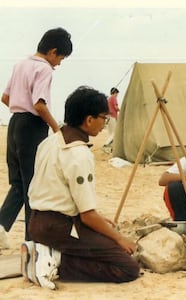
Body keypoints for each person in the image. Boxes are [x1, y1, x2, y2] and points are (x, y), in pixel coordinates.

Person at [22, 86, 140, 290]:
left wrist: (102, 222)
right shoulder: (78, 154)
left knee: (105, 236)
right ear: (89, 120)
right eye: (104, 117)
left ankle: (46, 252)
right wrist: (121, 239)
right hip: (58, 226)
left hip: (36, 221)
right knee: (127, 266)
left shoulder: (50, 142)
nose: (105, 123)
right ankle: (55, 260)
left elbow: (63, 195)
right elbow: (87, 216)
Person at [0, 27, 73, 248]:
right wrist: (56, 129)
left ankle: (1, 226)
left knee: (19, 184)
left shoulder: (21, 64)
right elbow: (39, 104)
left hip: (15, 124)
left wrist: (19, 111)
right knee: (34, 184)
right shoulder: (44, 69)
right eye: (60, 58)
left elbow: (5, 97)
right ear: (52, 51)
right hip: (32, 126)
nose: (58, 63)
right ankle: (32, 240)